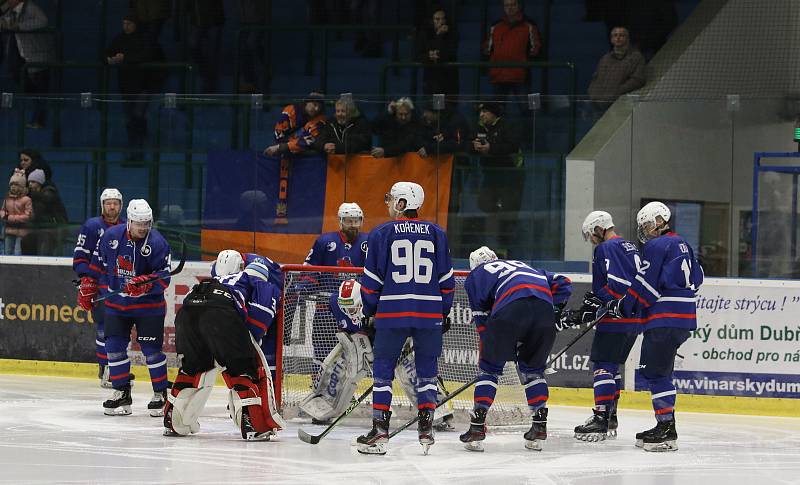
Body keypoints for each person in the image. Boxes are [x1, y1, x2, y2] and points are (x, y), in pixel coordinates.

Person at [356, 181, 454, 455]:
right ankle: (426, 431)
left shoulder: (381, 233)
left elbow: (371, 280)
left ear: (402, 204)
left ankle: (380, 431)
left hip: (392, 311)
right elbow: (446, 280)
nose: (388, 203)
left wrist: (371, 311)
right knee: (427, 373)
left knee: (383, 371)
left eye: (391, 199)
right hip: (429, 313)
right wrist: (443, 311)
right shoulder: (437, 233)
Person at [608, 201, 703, 451]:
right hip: (683, 318)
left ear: (661, 221)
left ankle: (666, 428)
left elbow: (646, 285)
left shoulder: (656, 245)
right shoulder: (684, 244)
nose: (646, 229)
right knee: (661, 371)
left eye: (648, 223)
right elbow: (698, 277)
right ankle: (665, 423)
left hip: (664, 318)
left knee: (655, 373)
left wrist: (625, 306)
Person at [459, 246, 572, 452]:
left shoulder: (476, 275)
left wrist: (493, 355)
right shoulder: (521, 265)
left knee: (490, 370)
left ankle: (477, 428)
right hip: (544, 311)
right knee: (533, 371)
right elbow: (564, 283)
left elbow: (482, 320)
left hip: (510, 310)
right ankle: (538, 428)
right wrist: (554, 312)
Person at [300, 279, 454, 430]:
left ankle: (439, 409)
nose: (349, 312)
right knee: (338, 364)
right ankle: (324, 405)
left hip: (390, 341)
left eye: (353, 308)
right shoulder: (335, 303)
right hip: (360, 341)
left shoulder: (379, 303)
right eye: (345, 308)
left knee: (408, 369)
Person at [164, 254, 285, 440]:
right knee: (243, 371)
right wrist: (246, 345)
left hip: (188, 310)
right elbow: (262, 313)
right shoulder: (254, 279)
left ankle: (174, 420)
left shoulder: (210, 280)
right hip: (220, 312)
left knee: (192, 370)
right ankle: (253, 424)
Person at [79, 199, 172, 416]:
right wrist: (89, 284)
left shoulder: (157, 243)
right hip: (116, 305)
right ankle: (121, 392)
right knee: (113, 346)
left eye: (146, 223)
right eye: (139, 223)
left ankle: (160, 394)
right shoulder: (110, 237)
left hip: (148, 307)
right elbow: (97, 265)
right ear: (129, 221)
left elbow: (164, 278)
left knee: (151, 351)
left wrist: (145, 285)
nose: (143, 227)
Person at [560, 210, 640, 441]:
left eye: (591, 235)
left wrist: (601, 298)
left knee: (603, 364)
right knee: (613, 366)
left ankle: (601, 417)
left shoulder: (605, 248)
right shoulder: (630, 246)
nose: (592, 241)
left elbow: (615, 285)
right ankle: (611, 415)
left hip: (616, 316)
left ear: (598, 228)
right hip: (633, 320)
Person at [301, 202, 369, 419]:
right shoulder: (325, 242)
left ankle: (342, 397)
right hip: (325, 310)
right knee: (322, 356)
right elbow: (310, 270)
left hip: (356, 313)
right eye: (349, 221)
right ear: (340, 221)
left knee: (353, 358)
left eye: (356, 221)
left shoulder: (369, 243)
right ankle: (319, 400)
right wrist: (305, 285)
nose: (353, 225)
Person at [72, 188, 125, 388]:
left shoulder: (127, 227)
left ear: (121, 206)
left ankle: (115, 368)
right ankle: (106, 368)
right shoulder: (92, 226)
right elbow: (80, 256)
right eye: (108, 202)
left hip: (120, 286)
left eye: (116, 203)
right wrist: (87, 279)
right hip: (100, 285)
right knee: (105, 329)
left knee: (119, 330)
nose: (112, 206)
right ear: (102, 205)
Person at [210, 249, 283, 380]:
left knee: (268, 353)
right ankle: (249, 389)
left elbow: (279, 289)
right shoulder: (218, 267)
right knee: (244, 351)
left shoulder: (259, 266)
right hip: (252, 304)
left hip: (274, 303)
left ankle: (270, 392)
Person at [105, 12, 166, 162]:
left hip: (144, 84)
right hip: (127, 85)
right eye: (124, 23)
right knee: (130, 117)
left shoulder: (146, 38)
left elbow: (147, 55)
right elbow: (107, 52)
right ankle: (134, 146)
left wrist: (125, 58)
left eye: (129, 23)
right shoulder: (120, 38)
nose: (125, 26)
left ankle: (137, 150)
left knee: (137, 115)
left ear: (136, 24)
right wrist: (110, 59)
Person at [470, 102, 523, 258]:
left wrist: (491, 148)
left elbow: (512, 146)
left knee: (507, 214)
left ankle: (503, 250)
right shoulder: (479, 128)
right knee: (485, 204)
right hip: (489, 176)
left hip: (509, 176)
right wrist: (473, 147)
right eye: (480, 112)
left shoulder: (507, 127)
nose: (481, 115)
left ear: (494, 114)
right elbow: (465, 143)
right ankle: (491, 245)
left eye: (485, 112)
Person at [0, 0, 56, 129]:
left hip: (39, 54)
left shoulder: (31, 8)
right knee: (16, 74)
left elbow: (43, 21)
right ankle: (37, 112)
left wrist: (19, 26)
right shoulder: (9, 11)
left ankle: (40, 121)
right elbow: (5, 22)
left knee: (41, 87)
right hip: (22, 54)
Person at [484, 0, 542, 101]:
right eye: (506, 5)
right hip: (499, 74)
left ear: (519, 6)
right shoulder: (495, 26)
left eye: (513, 5)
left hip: (520, 74)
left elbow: (536, 48)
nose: (510, 8)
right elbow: (487, 48)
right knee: (495, 111)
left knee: (526, 111)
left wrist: (525, 62)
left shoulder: (529, 25)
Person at [587, 26, 645, 111]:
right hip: (596, 105)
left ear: (628, 39)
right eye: (615, 35)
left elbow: (638, 80)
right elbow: (596, 78)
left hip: (619, 105)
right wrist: (592, 94)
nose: (618, 38)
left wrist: (616, 92)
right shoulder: (605, 59)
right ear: (611, 39)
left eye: (621, 35)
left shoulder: (636, 57)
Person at [264, 92, 327, 157]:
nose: (316, 109)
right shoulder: (291, 110)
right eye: (314, 104)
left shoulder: (320, 120)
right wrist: (286, 146)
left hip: (306, 157)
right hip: (284, 153)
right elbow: (278, 136)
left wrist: (281, 147)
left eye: (319, 107)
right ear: (307, 102)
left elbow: (308, 142)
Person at [415, 6, 458, 96]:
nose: (441, 22)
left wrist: (439, 36)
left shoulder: (451, 34)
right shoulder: (424, 34)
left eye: (443, 19)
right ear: (431, 20)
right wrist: (429, 56)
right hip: (432, 80)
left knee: (442, 108)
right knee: (432, 108)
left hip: (447, 80)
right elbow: (418, 55)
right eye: (437, 19)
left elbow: (446, 53)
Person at [25, 168, 67, 255]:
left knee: (45, 252)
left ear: (40, 182)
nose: (30, 185)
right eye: (29, 182)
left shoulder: (48, 193)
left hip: (51, 229)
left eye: (33, 182)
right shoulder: (33, 197)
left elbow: (47, 200)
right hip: (40, 229)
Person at [1, 169, 32, 255]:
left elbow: (28, 215)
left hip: (21, 231)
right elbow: (3, 210)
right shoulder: (7, 198)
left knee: (18, 252)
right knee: (7, 251)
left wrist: (11, 218)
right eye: (12, 185)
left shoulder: (26, 200)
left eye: (16, 185)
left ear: (22, 187)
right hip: (9, 230)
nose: (13, 187)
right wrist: (3, 215)